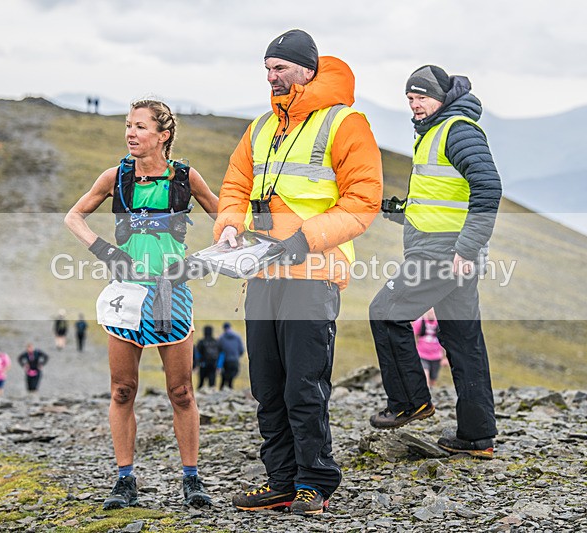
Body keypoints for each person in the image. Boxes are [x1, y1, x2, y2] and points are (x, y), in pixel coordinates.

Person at [214, 29, 382, 515]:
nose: (272, 77)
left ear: (308, 70)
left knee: (303, 386)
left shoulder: (345, 123)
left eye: (281, 68)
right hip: (261, 274)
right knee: (267, 386)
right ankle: (281, 482)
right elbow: (236, 185)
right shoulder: (261, 127)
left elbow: (363, 200)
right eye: (267, 69)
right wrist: (230, 226)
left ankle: (314, 482)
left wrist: (304, 239)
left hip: (314, 271)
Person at [64, 98, 219, 510]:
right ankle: (124, 480)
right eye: (128, 126)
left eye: (140, 127)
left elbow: (227, 223)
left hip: (171, 292)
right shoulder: (116, 177)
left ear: (163, 135)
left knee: (181, 391)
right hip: (126, 295)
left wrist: (199, 262)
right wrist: (105, 251)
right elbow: (73, 216)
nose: (131, 134)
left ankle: (191, 479)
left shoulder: (185, 177)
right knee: (122, 391)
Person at [368, 65, 502, 460]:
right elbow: (442, 198)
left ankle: (410, 402)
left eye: (422, 97)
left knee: (385, 312)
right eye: (410, 98)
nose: (415, 104)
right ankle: (477, 436)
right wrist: (397, 210)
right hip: (449, 250)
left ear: (442, 97)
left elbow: (488, 188)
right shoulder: (433, 132)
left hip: (444, 253)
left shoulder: (457, 131)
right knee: (463, 340)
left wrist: (467, 248)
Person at [413, 308, 445, 388]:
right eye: (429, 312)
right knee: (425, 374)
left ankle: (431, 390)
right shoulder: (420, 322)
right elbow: (414, 337)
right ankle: (426, 391)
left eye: (433, 313)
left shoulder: (440, 323)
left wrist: (444, 358)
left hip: (436, 356)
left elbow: (445, 341)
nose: (431, 314)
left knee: (433, 378)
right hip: (422, 354)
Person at [217, 322, 244, 390]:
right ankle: (230, 390)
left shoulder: (222, 338)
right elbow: (241, 350)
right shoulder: (238, 337)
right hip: (235, 360)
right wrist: (236, 355)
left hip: (225, 361)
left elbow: (219, 350)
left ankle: (221, 392)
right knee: (231, 379)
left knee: (223, 379)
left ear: (224, 329)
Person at [194, 325, 219, 390]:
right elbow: (219, 354)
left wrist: (196, 364)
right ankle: (212, 394)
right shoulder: (215, 342)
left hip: (203, 364)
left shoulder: (201, 342)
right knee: (212, 384)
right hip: (213, 365)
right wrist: (218, 366)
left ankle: (199, 393)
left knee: (201, 383)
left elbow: (197, 354)